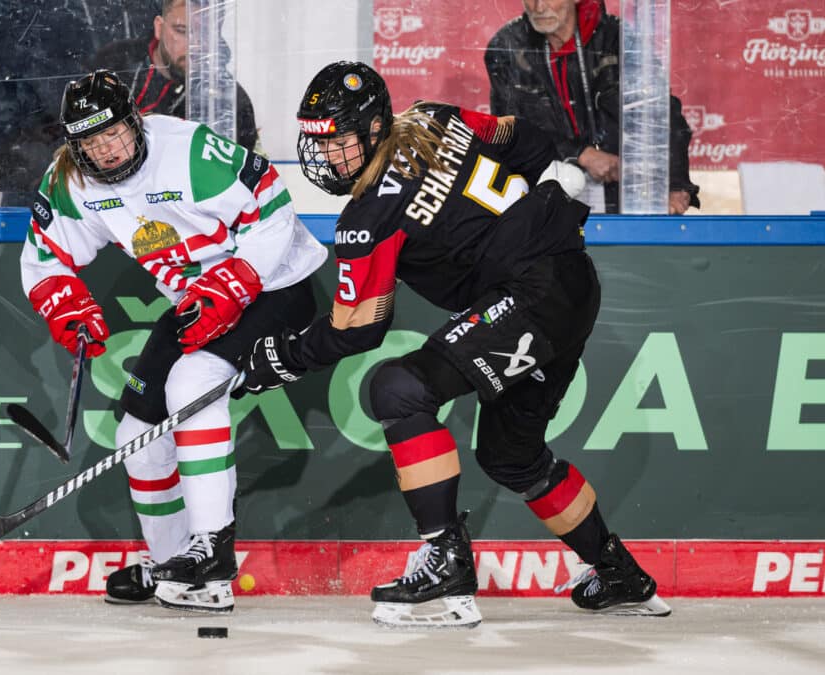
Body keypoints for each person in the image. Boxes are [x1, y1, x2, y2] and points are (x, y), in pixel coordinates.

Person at [237, 61, 671, 628]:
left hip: (531, 296)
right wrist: (538, 212)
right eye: (317, 142)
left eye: (338, 141)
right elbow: (527, 139)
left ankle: (445, 556)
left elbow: (357, 327)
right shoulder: (435, 118)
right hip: (571, 282)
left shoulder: (369, 218)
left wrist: (278, 359)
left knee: (396, 390)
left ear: (373, 128)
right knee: (511, 455)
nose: (325, 157)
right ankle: (618, 574)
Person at [19, 69, 326, 613]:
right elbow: (45, 258)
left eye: (113, 133)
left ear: (134, 122)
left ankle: (212, 552)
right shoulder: (71, 180)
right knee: (137, 434)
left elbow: (273, 206)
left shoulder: (188, 153)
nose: (105, 150)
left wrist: (237, 280)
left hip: (275, 283)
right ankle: (173, 568)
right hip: (194, 300)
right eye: (90, 141)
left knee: (191, 382)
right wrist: (63, 302)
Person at [0, 0, 159, 206]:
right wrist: (24, 167)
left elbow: (162, 74)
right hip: (46, 188)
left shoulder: (144, 9)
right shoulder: (24, 6)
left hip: (136, 188)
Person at [484, 0, 700, 215]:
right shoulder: (506, 47)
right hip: (547, 192)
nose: (539, 7)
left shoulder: (617, 39)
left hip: (622, 188)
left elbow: (661, 114)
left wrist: (675, 184)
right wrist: (581, 154)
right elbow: (510, 130)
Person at [87, 0, 259, 150]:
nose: (196, 45)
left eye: (206, 33)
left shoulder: (227, 101)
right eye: (182, 31)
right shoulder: (114, 64)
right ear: (159, 27)